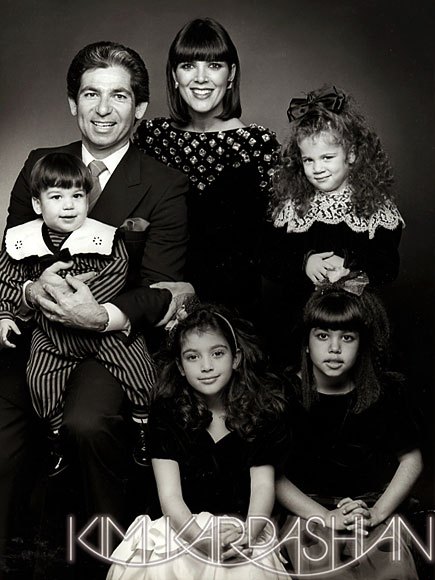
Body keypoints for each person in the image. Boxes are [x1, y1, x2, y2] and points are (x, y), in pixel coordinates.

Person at [0, 40, 191, 577]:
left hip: (111, 343)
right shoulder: (39, 164)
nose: (103, 109)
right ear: (72, 103)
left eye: (119, 96)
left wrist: (99, 315)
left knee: (86, 423)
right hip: (37, 336)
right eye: (90, 94)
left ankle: (106, 563)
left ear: (141, 107)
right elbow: (13, 250)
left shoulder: (164, 184)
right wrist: (30, 292)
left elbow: (160, 287)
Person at [0, 153, 157, 474]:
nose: (69, 205)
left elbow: (117, 273)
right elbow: (8, 281)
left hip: (100, 331)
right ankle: (56, 436)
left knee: (137, 365)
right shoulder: (21, 241)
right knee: (39, 378)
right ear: (37, 204)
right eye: (57, 197)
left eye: (77, 196)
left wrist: (80, 299)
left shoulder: (105, 237)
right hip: (52, 333)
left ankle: (143, 427)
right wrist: (5, 315)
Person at [107, 305, 287, 579]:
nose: (206, 366)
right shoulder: (166, 414)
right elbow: (170, 497)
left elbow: (263, 486)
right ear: (180, 366)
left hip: (239, 527)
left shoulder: (260, 413)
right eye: (193, 357)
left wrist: (248, 536)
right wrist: (201, 541)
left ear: (236, 358)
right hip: (181, 527)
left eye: (217, 353)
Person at [134, 18, 280, 322]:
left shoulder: (259, 145)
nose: (201, 78)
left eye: (214, 65)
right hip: (156, 309)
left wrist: (199, 292)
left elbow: (270, 251)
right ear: (174, 75)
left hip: (233, 314)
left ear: (231, 74)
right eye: (188, 65)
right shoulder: (151, 138)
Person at [277, 284, 422, 579]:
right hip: (308, 512)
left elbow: (411, 459)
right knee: (324, 569)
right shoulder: (284, 393)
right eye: (322, 336)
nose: (334, 348)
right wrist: (325, 516)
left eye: (347, 337)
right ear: (306, 342)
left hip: (369, 509)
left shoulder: (385, 392)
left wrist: (377, 513)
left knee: (392, 568)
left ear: (361, 343)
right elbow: (273, 475)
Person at [261, 85, 404, 365]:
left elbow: (388, 265)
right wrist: (305, 263)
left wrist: (350, 265)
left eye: (327, 157)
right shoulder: (293, 206)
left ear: (351, 155)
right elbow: (269, 258)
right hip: (301, 321)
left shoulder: (373, 206)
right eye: (308, 160)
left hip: (355, 319)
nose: (317, 168)